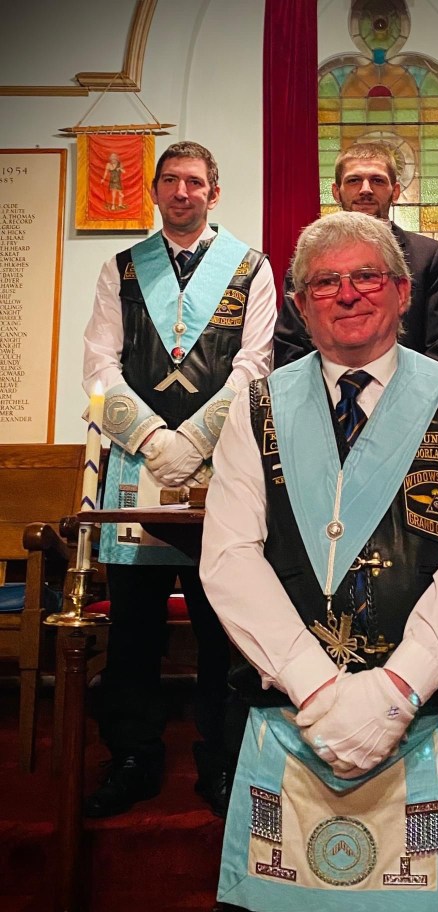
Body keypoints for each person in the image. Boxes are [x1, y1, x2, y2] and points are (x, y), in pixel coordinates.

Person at [200, 211, 438, 912]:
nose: (347, 295)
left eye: (365, 276)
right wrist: (315, 689)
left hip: (431, 723)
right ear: (300, 306)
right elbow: (230, 558)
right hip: (287, 726)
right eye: (324, 283)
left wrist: (395, 690)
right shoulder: (255, 406)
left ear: (402, 291)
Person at [82, 140, 276, 818]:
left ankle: (220, 760)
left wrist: (193, 439)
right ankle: (133, 755)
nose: (183, 192)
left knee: (219, 622)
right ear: (156, 192)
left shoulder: (252, 268)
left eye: (195, 182)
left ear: (213, 193)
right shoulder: (121, 269)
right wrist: (153, 439)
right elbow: (100, 368)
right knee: (133, 626)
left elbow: (256, 366)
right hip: (138, 469)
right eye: (171, 181)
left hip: (219, 470)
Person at [273, 141, 438, 369]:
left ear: (395, 191)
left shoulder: (430, 257)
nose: (365, 189)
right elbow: (290, 346)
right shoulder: (310, 259)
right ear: (336, 191)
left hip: (415, 396)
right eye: (354, 180)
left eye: (377, 180)